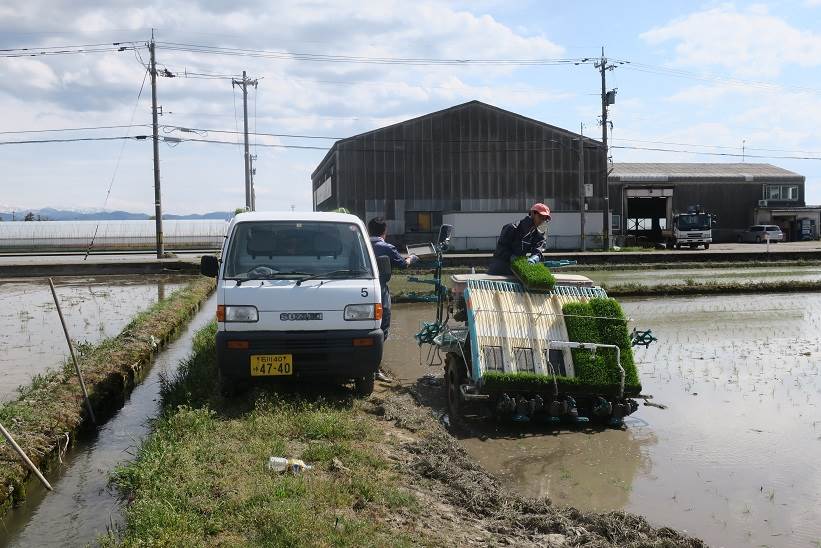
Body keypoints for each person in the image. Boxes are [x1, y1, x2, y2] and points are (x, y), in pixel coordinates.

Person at [367, 217, 418, 343]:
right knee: (384, 320)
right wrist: (412, 258)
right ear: (385, 231)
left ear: (368, 230)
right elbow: (403, 264)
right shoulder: (387, 248)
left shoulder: (361, 245)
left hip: (361, 288)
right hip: (381, 287)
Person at [487, 203, 551, 275]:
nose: (542, 221)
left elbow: (538, 251)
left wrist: (534, 258)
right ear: (532, 214)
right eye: (540, 216)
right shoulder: (512, 228)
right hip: (499, 268)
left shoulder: (538, 236)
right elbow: (501, 250)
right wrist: (513, 257)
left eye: (545, 219)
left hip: (516, 270)